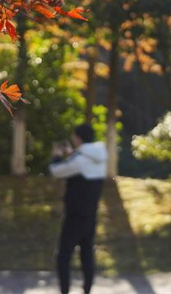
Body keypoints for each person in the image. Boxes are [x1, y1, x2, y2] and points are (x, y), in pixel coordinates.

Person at [49, 123, 107, 294]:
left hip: (74, 216)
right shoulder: (100, 157)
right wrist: (72, 153)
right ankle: (87, 290)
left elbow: (56, 171)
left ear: (78, 138)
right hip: (91, 215)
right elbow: (83, 160)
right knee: (87, 254)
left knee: (63, 256)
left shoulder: (80, 161)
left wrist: (57, 156)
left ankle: (65, 291)